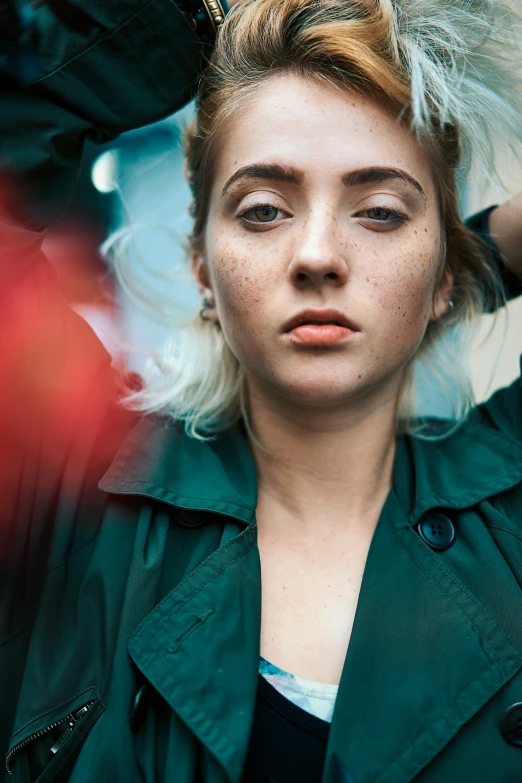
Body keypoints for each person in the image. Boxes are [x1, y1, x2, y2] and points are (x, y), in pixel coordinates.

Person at [1, 1, 522, 782]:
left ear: (442, 266)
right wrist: (186, 18)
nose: (317, 255)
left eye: (380, 212)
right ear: (202, 265)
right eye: (264, 210)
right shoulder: (77, 496)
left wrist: (467, 270)